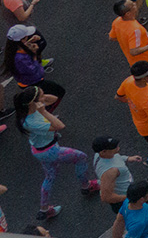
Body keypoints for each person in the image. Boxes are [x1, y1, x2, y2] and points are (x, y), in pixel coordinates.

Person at [18, 84, 97, 220]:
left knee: (50, 177)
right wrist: (44, 111)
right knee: (81, 157)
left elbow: (54, 99)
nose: (45, 97)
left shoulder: (29, 111)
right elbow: (60, 126)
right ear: (33, 103)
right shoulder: (32, 121)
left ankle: (44, 210)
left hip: (40, 150)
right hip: (51, 151)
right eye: (42, 96)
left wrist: (41, 99)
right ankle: (87, 186)